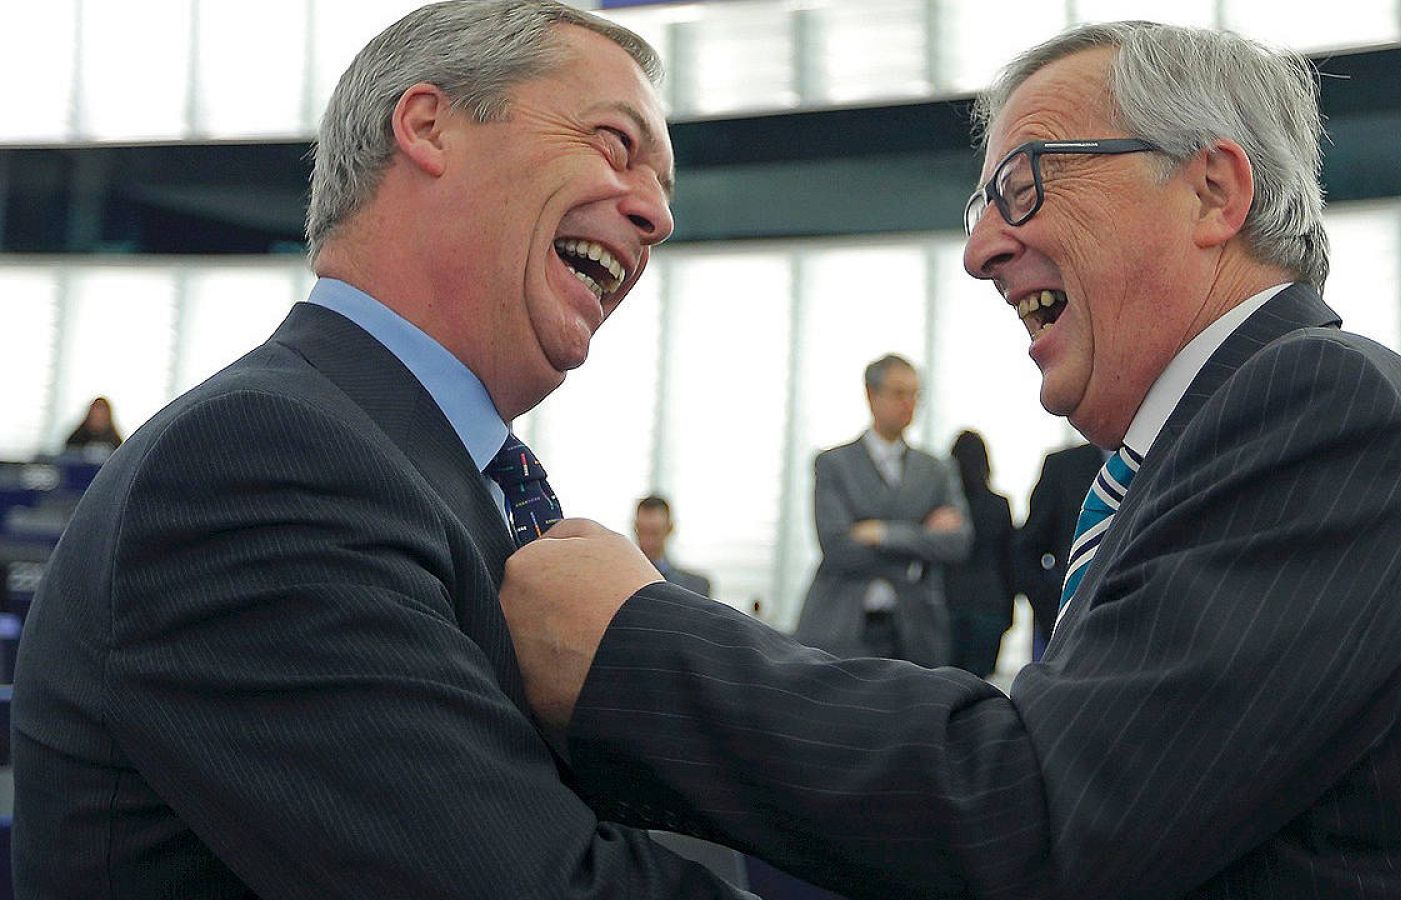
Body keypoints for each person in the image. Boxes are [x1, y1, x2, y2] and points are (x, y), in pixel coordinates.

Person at [499, 20, 1401, 900]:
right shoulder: (1217, 439)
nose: (978, 250)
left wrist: (632, 644)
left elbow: (1041, 821)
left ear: (1212, 191)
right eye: (982, 207)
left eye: (1024, 183)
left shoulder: (1319, 410)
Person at [10, 3, 750, 896]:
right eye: (614, 143)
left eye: (664, 188)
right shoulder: (255, 466)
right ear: (430, 126)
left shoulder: (396, 466)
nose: (657, 217)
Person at [792, 354, 971, 666]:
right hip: (842, 627)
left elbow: (958, 543)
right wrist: (919, 547)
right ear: (871, 395)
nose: (909, 404)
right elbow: (836, 547)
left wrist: (882, 533)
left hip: (916, 632)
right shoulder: (834, 464)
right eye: (899, 393)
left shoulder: (936, 470)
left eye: (915, 395)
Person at [1013, 440, 1103, 656]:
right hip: (1069, 625)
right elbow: (1027, 549)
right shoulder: (1063, 467)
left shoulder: (1169, 455)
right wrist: (1051, 606)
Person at [942, 429, 1015, 678]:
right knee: (980, 687)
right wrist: (1009, 613)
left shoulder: (945, 512)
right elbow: (1009, 562)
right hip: (991, 603)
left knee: (947, 683)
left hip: (949, 603)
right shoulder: (999, 505)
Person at [634, 494, 713, 596]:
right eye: (643, 531)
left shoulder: (696, 586)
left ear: (670, 529)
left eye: (654, 532)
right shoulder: (619, 582)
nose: (648, 540)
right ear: (635, 528)